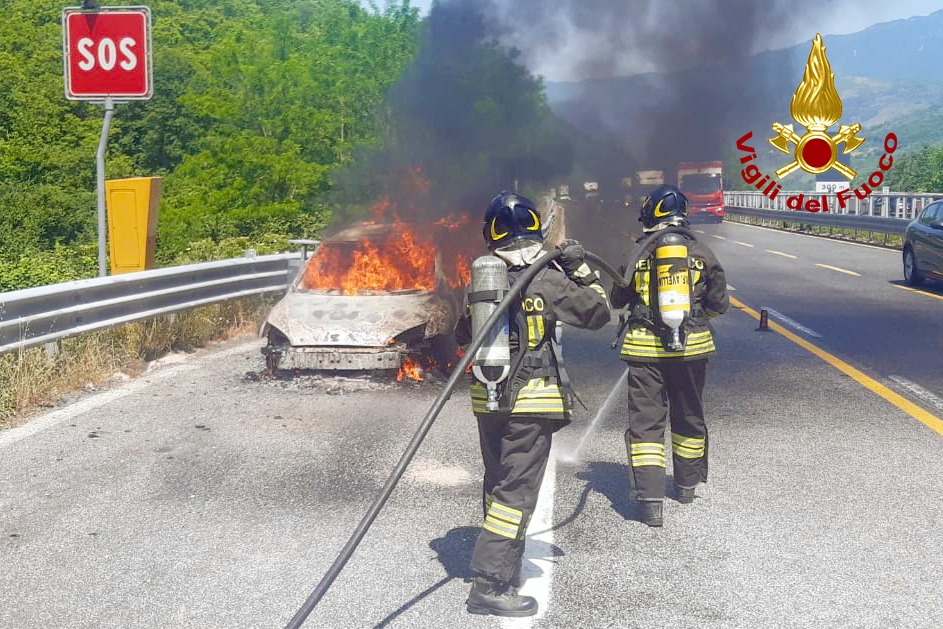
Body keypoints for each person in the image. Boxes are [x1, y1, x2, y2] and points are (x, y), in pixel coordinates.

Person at [455, 191, 610, 617]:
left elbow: (459, 336)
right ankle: (490, 585)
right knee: (516, 493)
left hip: (488, 399)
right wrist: (578, 267)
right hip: (531, 401)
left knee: (498, 482)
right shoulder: (547, 277)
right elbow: (597, 311)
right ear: (535, 227)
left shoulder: (481, 279)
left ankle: (502, 564)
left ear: (492, 233)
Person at [610, 184, 728, 527]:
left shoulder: (638, 253)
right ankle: (687, 485)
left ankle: (650, 503)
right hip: (693, 351)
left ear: (651, 215)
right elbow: (719, 304)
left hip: (645, 352)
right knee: (689, 416)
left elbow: (617, 298)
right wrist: (696, 321)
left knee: (646, 425)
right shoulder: (702, 252)